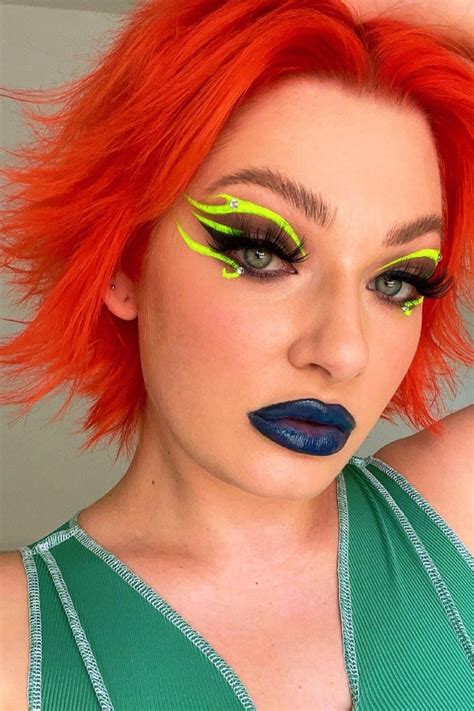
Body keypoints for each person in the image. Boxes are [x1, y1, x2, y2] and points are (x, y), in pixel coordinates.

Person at [0, 0, 473, 709]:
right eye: (261, 252)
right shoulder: (19, 645)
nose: (342, 351)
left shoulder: (456, 517)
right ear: (124, 258)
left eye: (396, 280)